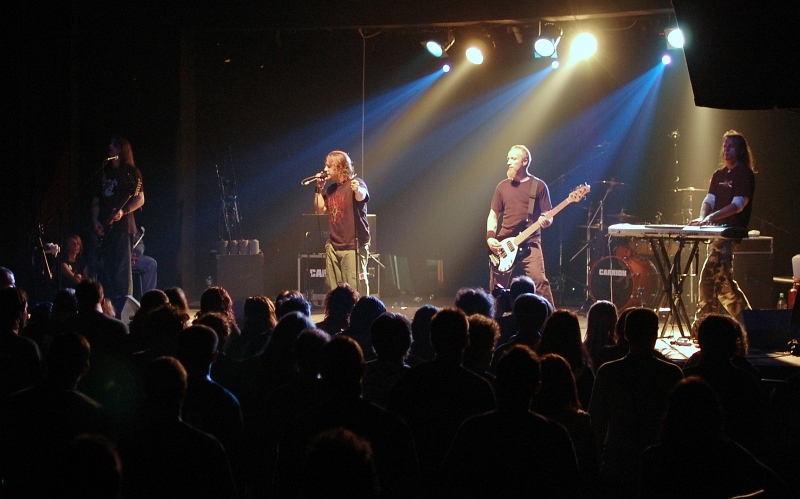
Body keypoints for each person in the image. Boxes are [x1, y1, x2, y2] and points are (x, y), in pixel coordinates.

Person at [690, 130, 755, 326]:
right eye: (725, 146)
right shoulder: (718, 174)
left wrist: (712, 217)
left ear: (740, 150)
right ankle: (751, 324)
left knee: (709, 280)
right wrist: (703, 218)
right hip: (716, 232)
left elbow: (738, 205)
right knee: (725, 285)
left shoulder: (744, 174)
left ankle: (704, 325)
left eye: (731, 146)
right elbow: (709, 200)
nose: (726, 150)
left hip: (730, 233)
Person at [487, 144, 555, 307]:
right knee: (496, 288)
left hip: (530, 242)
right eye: (508, 159)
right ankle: (492, 323)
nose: (509, 162)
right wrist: (490, 237)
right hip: (504, 244)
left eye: (513, 158)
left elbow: (548, 214)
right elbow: (493, 214)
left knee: (539, 282)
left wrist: (546, 220)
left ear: (525, 161)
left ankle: (553, 320)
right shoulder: (502, 186)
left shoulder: (538, 186)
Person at [91, 136, 144, 303]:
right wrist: (95, 221)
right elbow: (96, 200)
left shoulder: (131, 172)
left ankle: (124, 306)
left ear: (121, 150)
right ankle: (108, 305)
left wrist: (124, 211)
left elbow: (140, 198)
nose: (109, 147)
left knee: (121, 270)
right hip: (104, 226)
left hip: (122, 227)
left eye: (113, 145)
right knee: (106, 269)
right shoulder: (104, 173)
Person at [313, 150, 371, 296]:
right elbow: (319, 210)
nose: (325, 169)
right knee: (333, 288)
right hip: (334, 244)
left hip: (353, 245)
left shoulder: (356, 183)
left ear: (339, 167)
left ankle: (361, 315)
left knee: (354, 288)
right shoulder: (331, 189)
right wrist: (318, 188)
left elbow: (362, 196)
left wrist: (357, 189)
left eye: (328, 166)